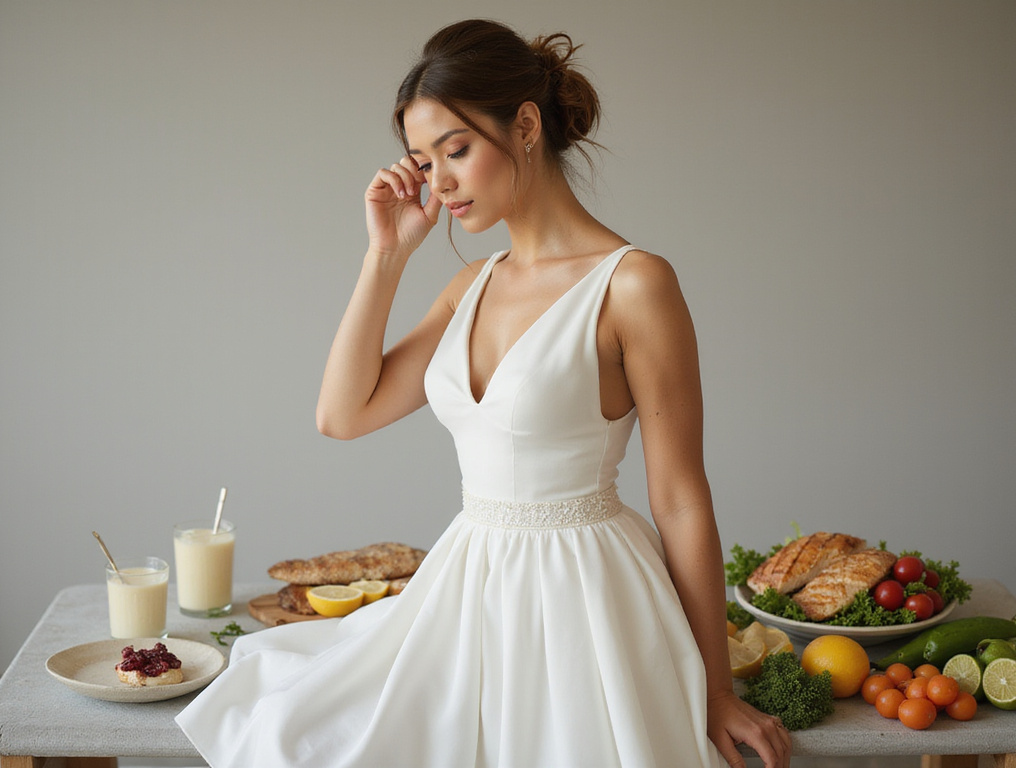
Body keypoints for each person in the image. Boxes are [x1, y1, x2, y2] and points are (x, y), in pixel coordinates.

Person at [176, 18, 792, 768]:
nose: (438, 183)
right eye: (422, 160)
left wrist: (717, 691)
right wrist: (386, 257)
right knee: (298, 727)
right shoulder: (471, 283)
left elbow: (681, 499)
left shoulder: (634, 285)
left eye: (456, 151)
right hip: (468, 586)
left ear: (525, 125)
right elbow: (342, 414)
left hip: (587, 598)